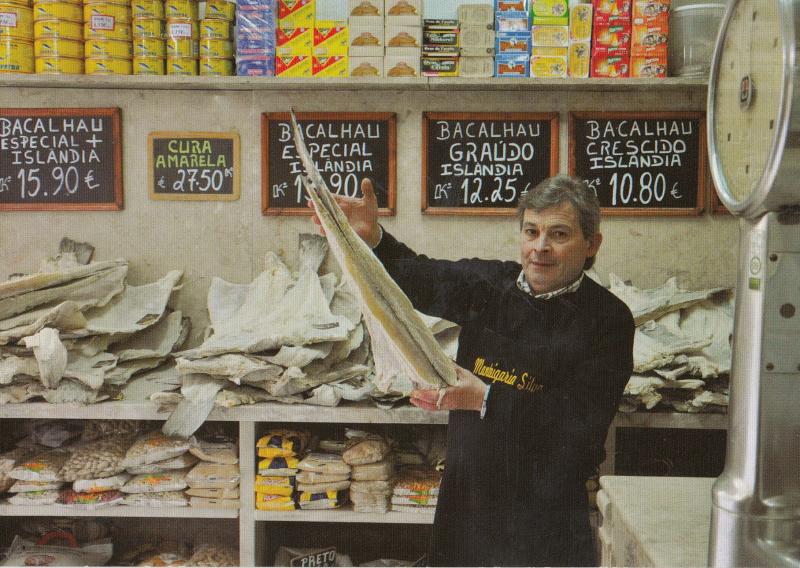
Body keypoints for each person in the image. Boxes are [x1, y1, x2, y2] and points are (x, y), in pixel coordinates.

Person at [310, 174, 635, 567]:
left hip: (544, 521)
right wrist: (373, 238)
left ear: (591, 244)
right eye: (531, 232)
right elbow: (419, 277)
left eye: (559, 234)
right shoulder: (491, 285)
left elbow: (581, 426)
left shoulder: (609, 320)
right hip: (466, 508)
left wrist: (486, 399)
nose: (540, 247)